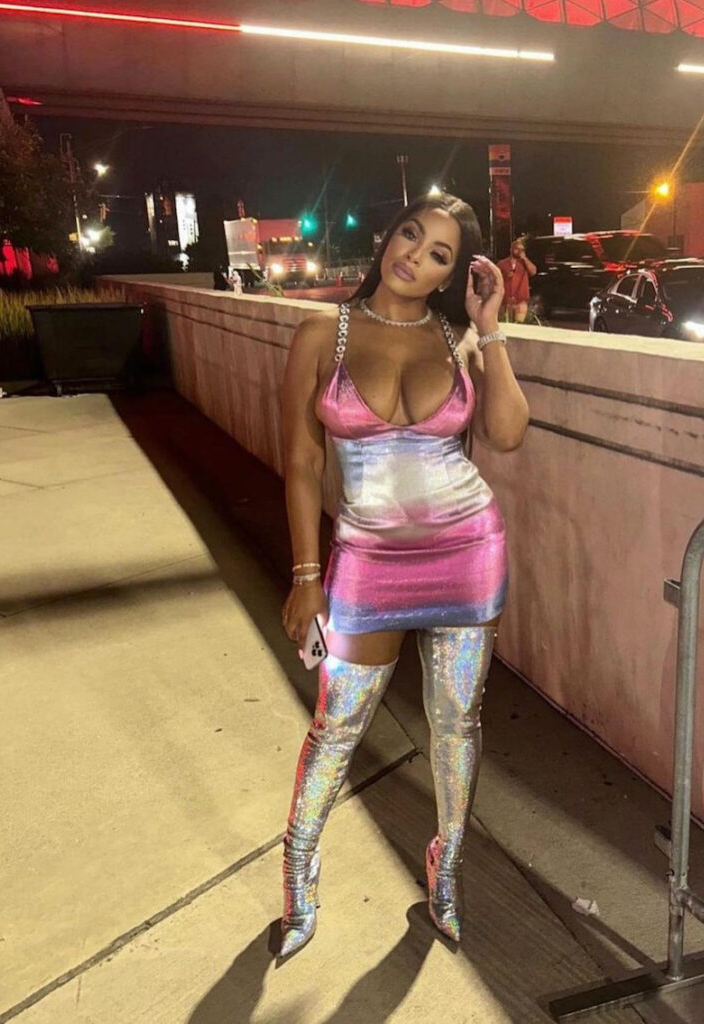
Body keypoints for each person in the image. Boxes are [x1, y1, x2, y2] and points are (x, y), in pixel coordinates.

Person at [276, 193, 529, 961]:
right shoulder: (321, 333)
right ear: (389, 236)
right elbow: (302, 461)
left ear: (453, 275)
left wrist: (491, 327)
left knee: (457, 722)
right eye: (411, 235)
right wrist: (307, 575)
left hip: (468, 550)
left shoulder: (458, 339)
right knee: (337, 724)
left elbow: (507, 433)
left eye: (439, 254)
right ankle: (298, 870)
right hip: (366, 560)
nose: (414, 256)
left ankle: (446, 867)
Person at [497, 238, 537, 323]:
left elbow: (533, 271)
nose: (519, 251)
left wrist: (525, 259)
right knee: (506, 323)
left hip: (520, 300)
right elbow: (495, 278)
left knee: (519, 324)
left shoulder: (524, 263)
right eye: (517, 249)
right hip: (505, 300)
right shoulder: (502, 264)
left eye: (522, 250)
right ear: (511, 249)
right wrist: (505, 276)